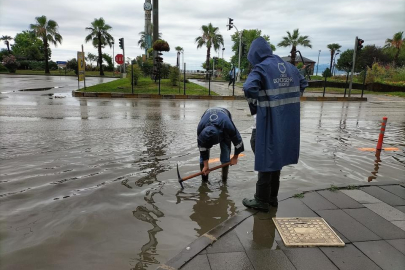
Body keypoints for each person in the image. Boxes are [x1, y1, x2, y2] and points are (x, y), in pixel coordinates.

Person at [242, 37, 308, 212]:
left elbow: (249, 88)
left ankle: (261, 200)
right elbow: (303, 83)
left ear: (254, 55)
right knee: (276, 159)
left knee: (265, 158)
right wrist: (286, 105)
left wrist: (259, 105)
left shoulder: (261, 68)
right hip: (285, 124)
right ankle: (272, 198)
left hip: (266, 125)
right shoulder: (290, 67)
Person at [197, 107, 244, 182]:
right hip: (207, 115)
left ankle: (224, 181)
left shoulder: (228, 126)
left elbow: (238, 143)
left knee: (225, 150)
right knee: (203, 156)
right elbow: (202, 148)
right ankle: (204, 181)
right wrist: (206, 165)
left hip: (224, 115)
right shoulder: (200, 128)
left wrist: (235, 157)